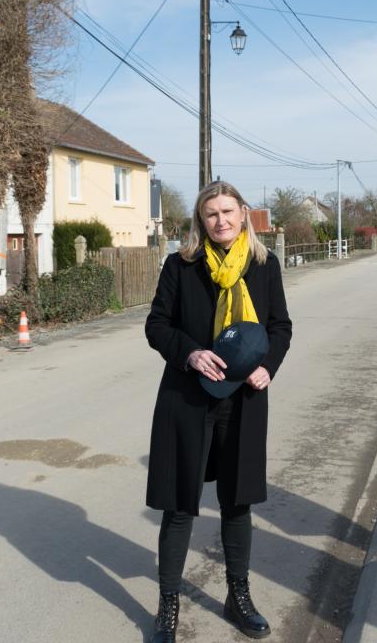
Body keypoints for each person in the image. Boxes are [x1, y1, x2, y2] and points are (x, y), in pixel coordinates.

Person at [144, 181, 292, 642]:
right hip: (188, 396)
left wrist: (268, 367)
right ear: (200, 220)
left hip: (244, 398)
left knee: (237, 500)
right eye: (211, 214)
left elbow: (280, 327)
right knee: (180, 503)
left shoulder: (263, 266)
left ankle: (238, 596)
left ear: (244, 214)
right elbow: (157, 325)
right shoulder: (181, 265)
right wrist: (189, 353)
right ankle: (169, 603)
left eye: (228, 212)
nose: (221, 221)